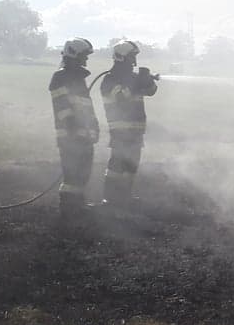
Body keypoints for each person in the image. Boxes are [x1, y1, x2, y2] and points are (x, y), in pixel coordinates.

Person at [99, 40, 159, 207]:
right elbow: (120, 98)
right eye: (132, 57)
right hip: (120, 131)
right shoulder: (109, 79)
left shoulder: (133, 78)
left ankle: (125, 197)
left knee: (131, 165)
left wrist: (147, 81)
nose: (134, 61)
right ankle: (109, 198)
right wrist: (136, 83)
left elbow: (151, 91)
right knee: (117, 165)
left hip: (136, 131)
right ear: (122, 57)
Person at [49, 38, 100, 224]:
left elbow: (85, 107)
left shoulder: (77, 79)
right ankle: (69, 211)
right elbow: (63, 109)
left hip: (83, 135)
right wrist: (75, 131)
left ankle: (78, 206)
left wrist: (93, 126)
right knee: (72, 175)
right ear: (73, 56)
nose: (85, 61)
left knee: (82, 173)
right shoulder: (60, 78)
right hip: (70, 137)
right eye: (83, 57)